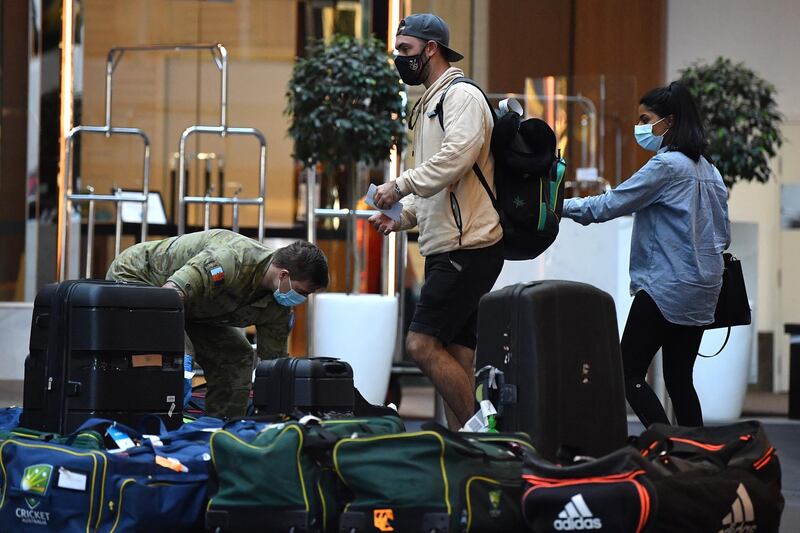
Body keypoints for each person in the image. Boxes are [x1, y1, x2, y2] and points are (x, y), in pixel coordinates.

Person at [561, 81, 730, 427]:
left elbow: (609, 204)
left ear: (668, 122)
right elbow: (722, 236)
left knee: (628, 371)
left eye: (645, 118)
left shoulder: (666, 166)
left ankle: (665, 441)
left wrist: (555, 207)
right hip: (702, 291)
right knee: (680, 380)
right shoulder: (711, 172)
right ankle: (694, 456)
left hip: (664, 288)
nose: (640, 126)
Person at [370, 13, 503, 430]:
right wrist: (405, 218)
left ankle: (480, 438)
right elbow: (445, 186)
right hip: (452, 244)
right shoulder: (428, 103)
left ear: (431, 49)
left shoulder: (460, 97)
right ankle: (466, 449)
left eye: (406, 50)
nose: (399, 59)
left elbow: (455, 159)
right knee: (457, 353)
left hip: (468, 246)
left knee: (421, 343)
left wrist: (401, 185)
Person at [107, 229, 329, 419]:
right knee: (177, 350)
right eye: (301, 291)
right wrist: (181, 360)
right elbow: (170, 297)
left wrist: (283, 411)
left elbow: (273, 365)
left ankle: (218, 431)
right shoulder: (230, 259)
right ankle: (158, 427)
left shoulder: (278, 306)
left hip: (193, 309)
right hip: (140, 281)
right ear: (283, 275)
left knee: (237, 356)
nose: (301, 299)